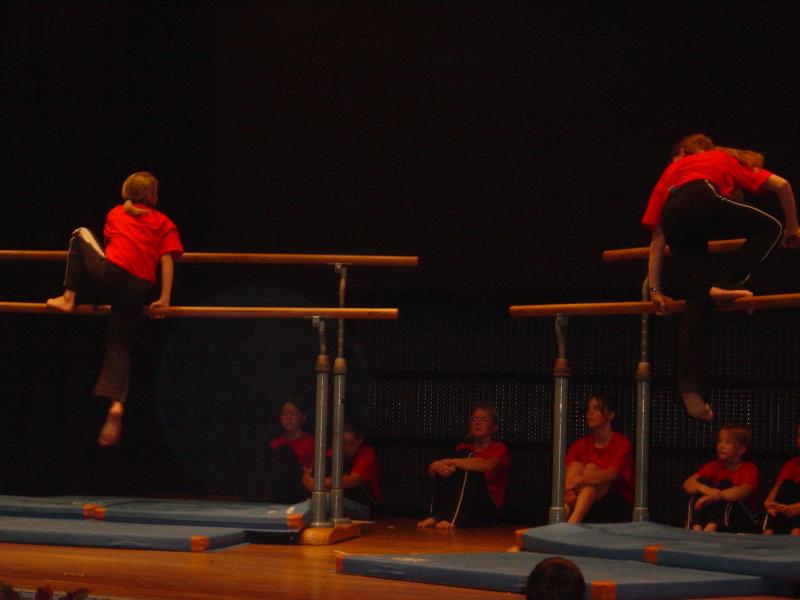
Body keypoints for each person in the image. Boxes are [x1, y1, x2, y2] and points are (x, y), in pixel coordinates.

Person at [643, 133, 800, 421]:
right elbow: (783, 185)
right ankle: (727, 282)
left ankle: (691, 392)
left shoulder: (670, 172)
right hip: (703, 197)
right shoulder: (718, 157)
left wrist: (655, 290)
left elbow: (657, 239)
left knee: (696, 300)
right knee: (771, 228)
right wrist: (792, 228)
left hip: (673, 215)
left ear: (684, 153)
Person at [46, 171, 183, 447]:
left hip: (111, 277)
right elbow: (167, 260)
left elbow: (113, 251)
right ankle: (116, 403)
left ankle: (69, 297)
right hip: (138, 290)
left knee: (80, 234)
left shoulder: (116, 213)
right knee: (119, 347)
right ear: (152, 195)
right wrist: (165, 298)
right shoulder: (163, 222)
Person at [417, 405, 510, 529]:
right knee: (451, 463)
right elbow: (431, 473)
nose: (478, 423)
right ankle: (438, 516)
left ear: (494, 427)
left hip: (487, 508)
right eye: (474, 419)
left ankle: (453, 518)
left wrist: (456, 462)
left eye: (484, 420)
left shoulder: (499, 448)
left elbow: (489, 465)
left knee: (467, 462)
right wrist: (435, 466)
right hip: (465, 507)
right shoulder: (462, 448)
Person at [564, 394, 633, 524]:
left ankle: (570, 523)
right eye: (588, 409)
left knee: (591, 469)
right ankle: (565, 520)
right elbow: (568, 474)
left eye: (596, 408)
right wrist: (569, 490)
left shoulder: (622, 443)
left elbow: (612, 473)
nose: (589, 413)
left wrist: (579, 480)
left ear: (610, 415)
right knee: (576, 466)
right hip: (582, 501)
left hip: (614, 505)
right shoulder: (579, 444)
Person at [683, 424, 760, 533]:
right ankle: (696, 528)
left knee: (726, 484)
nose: (721, 446)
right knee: (701, 483)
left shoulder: (750, 468)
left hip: (742, 520)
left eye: (727, 442)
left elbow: (742, 491)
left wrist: (715, 496)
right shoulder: (715, 465)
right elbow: (688, 484)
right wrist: (707, 490)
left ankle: (711, 528)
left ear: (741, 449)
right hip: (714, 513)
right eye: (719, 441)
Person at [302, 417, 381, 509]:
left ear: (359, 440)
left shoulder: (366, 453)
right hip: (336, 499)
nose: (347, 448)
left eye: (352, 444)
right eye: (344, 443)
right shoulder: (333, 452)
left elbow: (354, 480)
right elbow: (309, 473)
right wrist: (310, 482)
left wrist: (319, 483)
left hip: (364, 503)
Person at [248, 398, 314, 504]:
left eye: (293, 413)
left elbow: (312, 472)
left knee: (284, 452)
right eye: (284, 414)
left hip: (298, 489)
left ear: (303, 417)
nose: (288, 418)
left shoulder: (312, 443)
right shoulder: (273, 443)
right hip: (274, 489)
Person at [763, 422, 800, 536]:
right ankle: (771, 529)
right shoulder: (792, 464)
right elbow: (778, 487)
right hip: (787, 513)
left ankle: (796, 529)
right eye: (799, 435)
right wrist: (770, 504)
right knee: (787, 484)